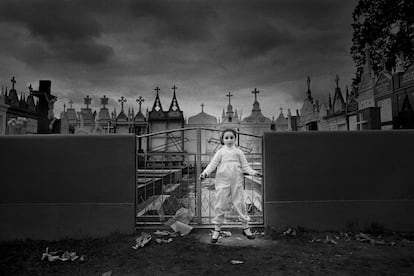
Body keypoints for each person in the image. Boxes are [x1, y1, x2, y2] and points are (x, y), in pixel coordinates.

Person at [199, 128, 263, 243]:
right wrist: (205, 173)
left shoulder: (239, 152)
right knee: (220, 204)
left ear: (235, 139)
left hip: (236, 181)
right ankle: (217, 230)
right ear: (223, 140)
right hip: (222, 181)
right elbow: (212, 164)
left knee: (240, 203)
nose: (229, 140)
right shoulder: (220, 152)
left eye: (231, 137)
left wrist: (254, 173)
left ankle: (246, 227)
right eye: (226, 138)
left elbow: (245, 166)